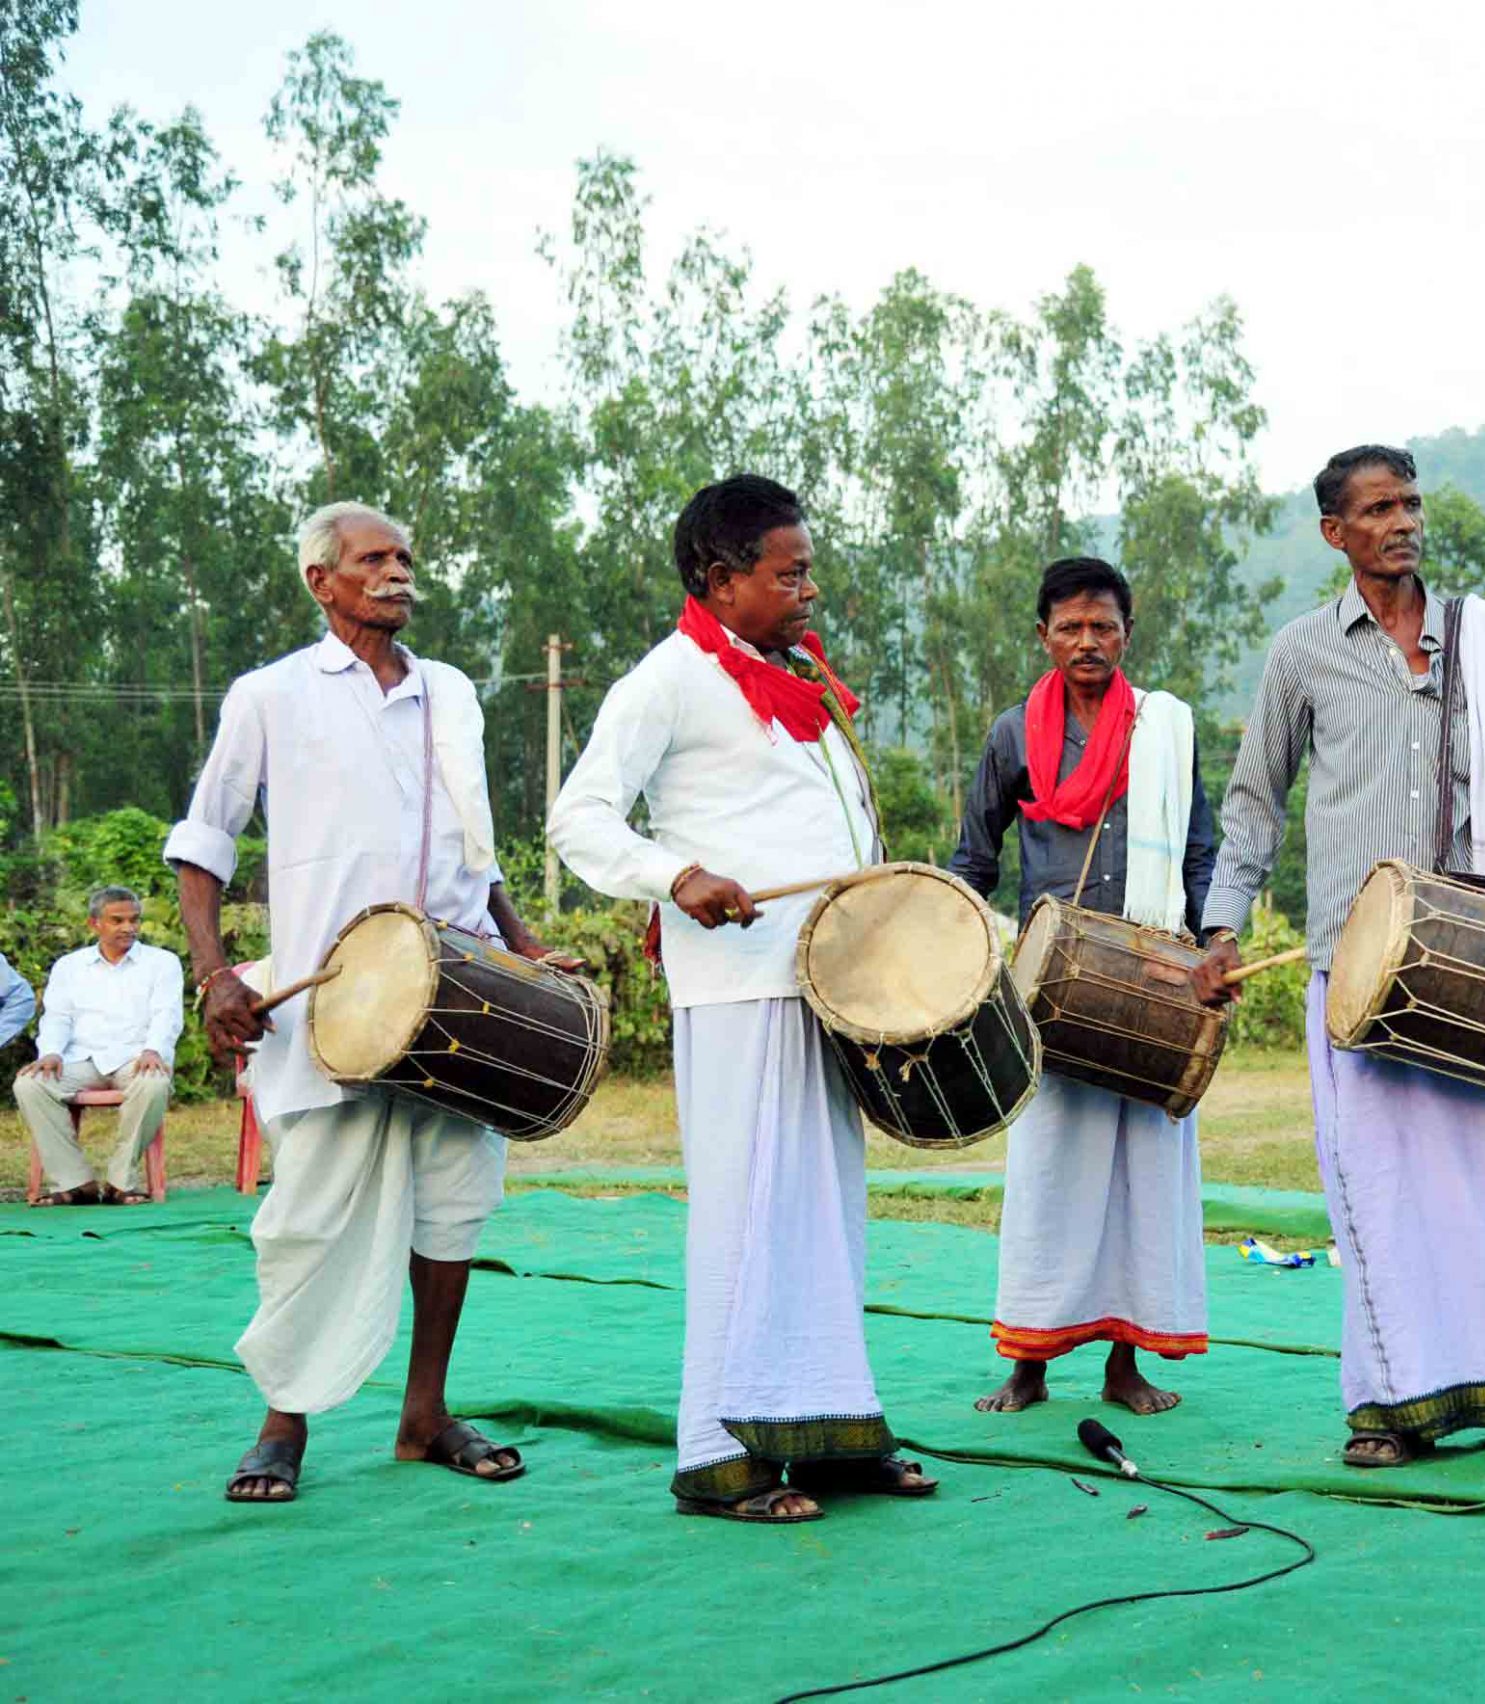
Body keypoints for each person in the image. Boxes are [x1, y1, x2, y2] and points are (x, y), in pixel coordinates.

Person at [1190, 443, 1485, 1469]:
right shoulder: (1300, 654)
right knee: (1380, 1195)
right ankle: (1394, 1405)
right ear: (1334, 533)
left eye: (1410, 503)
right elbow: (1254, 803)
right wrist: (1220, 928)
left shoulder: (1480, 644)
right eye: (1378, 508)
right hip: (1355, 972)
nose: (1402, 522)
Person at [549, 474, 936, 1523]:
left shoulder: (792, 673)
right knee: (743, 1218)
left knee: (823, 1217)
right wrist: (677, 876)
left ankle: (828, 1434)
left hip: (823, 987)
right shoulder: (667, 679)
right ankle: (719, 1458)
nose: (808, 588)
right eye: (787, 572)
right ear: (720, 582)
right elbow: (578, 819)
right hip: (736, 992)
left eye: (807, 567)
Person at [169, 501, 559, 1504]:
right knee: (307, 1215)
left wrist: (521, 946)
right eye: (372, 559)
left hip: (461, 993)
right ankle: (281, 1423)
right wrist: (216, 977)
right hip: (333, 1002)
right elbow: (205, 844)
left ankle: (424, 1417)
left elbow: (478, 845)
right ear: (321, 582)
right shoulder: (271, 696)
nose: (397, 573)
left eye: (404, 558)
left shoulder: (453, 693)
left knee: (454, 1205)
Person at [951, 556, 1217, 1417]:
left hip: (1152, 978)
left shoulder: (1166, 731)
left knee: (1147, 1178)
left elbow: (1201, 851)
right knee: (1046, 1177)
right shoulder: (1011, 736)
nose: (1088, 640)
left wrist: (1215, 947)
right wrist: (958, 955)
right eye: (1070, 626)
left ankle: (1125, 1368)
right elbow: (975, 860)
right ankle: (1028, 1365)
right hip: (1049, 991)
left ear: (1126, 633)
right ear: (1044, 636)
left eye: (1103, 625)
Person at [13, 887, 182, 1205]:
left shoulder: (162, 963)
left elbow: (167, 1014)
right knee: (29, 1084)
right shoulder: (69, 966)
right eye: (117, 920)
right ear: (95, 925)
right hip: (82, 1058)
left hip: (137, 1056)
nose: (128, 927)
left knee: (154, 1083)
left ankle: (121, 1183)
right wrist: (50, 1052)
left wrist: (153, 1049)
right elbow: (57, 1017)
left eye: (134, 920)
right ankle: (76, 1183)